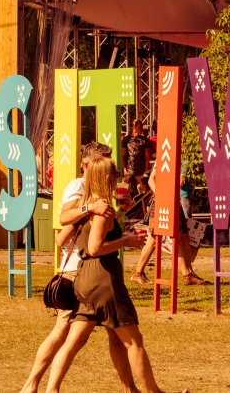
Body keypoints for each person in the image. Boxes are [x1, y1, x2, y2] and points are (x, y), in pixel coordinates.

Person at [22, 142, 138, 393]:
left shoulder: (99, 189)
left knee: (109, 336)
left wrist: (122, 213)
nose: (108, 168)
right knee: (64, 332)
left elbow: (101, 226)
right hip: (78, 268)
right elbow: (64, 218)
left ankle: (130, 388)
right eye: (103, 162)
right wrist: (90, 207)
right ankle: (33, 385)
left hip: (95, 270)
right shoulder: (80, 185)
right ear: (88, 165)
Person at [45, 157, 165, 393]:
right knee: (134, 341)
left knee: (73, 341)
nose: (117, 178)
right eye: (114, 174)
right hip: (104, 280)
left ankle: (51, 390)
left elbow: (65, 236)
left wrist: (120, 212)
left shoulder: (88, 206)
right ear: (106, 178)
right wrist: (127, 240)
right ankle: (154, 392)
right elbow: (95, 248)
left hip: (85, 280)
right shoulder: (100, 208)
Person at [131, 159, 205, 286]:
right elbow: (154, 179)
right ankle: (138, 273)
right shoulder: (169, 156)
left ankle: (188, 274)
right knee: (155, 239)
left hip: (174, 201)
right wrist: (162, 194)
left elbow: (155, 180)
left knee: (183, 237)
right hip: (164, 202)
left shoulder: (182, 157)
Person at [121, 121, 152, 197]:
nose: (141, 129)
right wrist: (125, 170)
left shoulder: (144, 140)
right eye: (139, 127)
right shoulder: (126, 140)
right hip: (129, 172)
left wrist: (146, 172)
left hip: (141, 173)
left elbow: (147, 157)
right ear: (134, 128)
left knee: (142, 195)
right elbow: (123, 156)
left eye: (142, 127)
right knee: (127, 195)